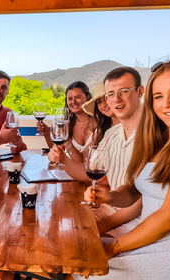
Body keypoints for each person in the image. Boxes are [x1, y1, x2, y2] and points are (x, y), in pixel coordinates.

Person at [19, 58, 170, 280]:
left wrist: (113, 247)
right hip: (150, 242)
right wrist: (111, 195)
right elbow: (135, 191)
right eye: (159, 96)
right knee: (61, 262)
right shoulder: (165, 138)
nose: (166, 104)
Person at [49, 67, 144, 239]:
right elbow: (88, 172)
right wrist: (62, 159)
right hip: (110, 206)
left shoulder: (153, 136)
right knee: (57, 220)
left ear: (140, 92)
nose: (115, 100)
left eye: (123, 92)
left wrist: (105, 224)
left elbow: (142, 198)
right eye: (110, 95)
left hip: (136, 220)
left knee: (75, 239)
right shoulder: (110, 134)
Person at [37, 81, 95, 160]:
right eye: (70, 99)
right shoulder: (66, 122)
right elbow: (58, 152)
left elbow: (83, 161)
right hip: (70, 170)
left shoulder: (100, 123)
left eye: (78, 97)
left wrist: (66, 140)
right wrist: (47, 133)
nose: (73, 102)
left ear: (88, 97)